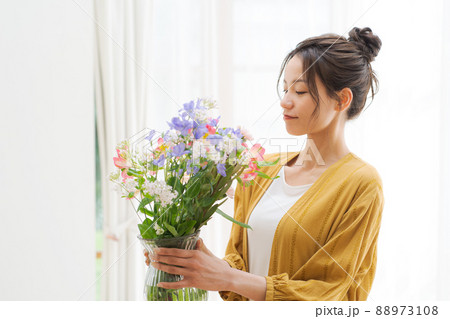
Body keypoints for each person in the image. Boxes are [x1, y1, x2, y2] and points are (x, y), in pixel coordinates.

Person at [143, 26, 384, 301]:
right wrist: (198, 262)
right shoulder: (263, 168)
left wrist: (228, 276)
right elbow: (240, 266)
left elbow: (331, 292)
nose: (284, 102)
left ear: (342, 99)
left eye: (301, 91)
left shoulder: (362, 183)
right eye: (285, 89)